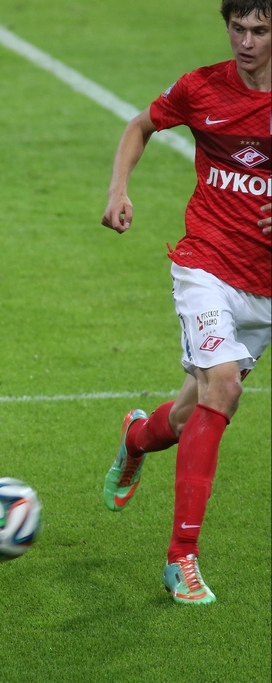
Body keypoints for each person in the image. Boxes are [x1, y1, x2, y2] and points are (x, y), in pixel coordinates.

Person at [100, 0, 271, 605]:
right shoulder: (202, 88)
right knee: (223, 388)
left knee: (186, 415)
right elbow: (140, 125)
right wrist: (118, 190)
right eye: (237, 28)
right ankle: (181, 558)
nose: (245, 41)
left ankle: (137, 438)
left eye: (260, 30)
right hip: (206, 265)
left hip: (265, 289)